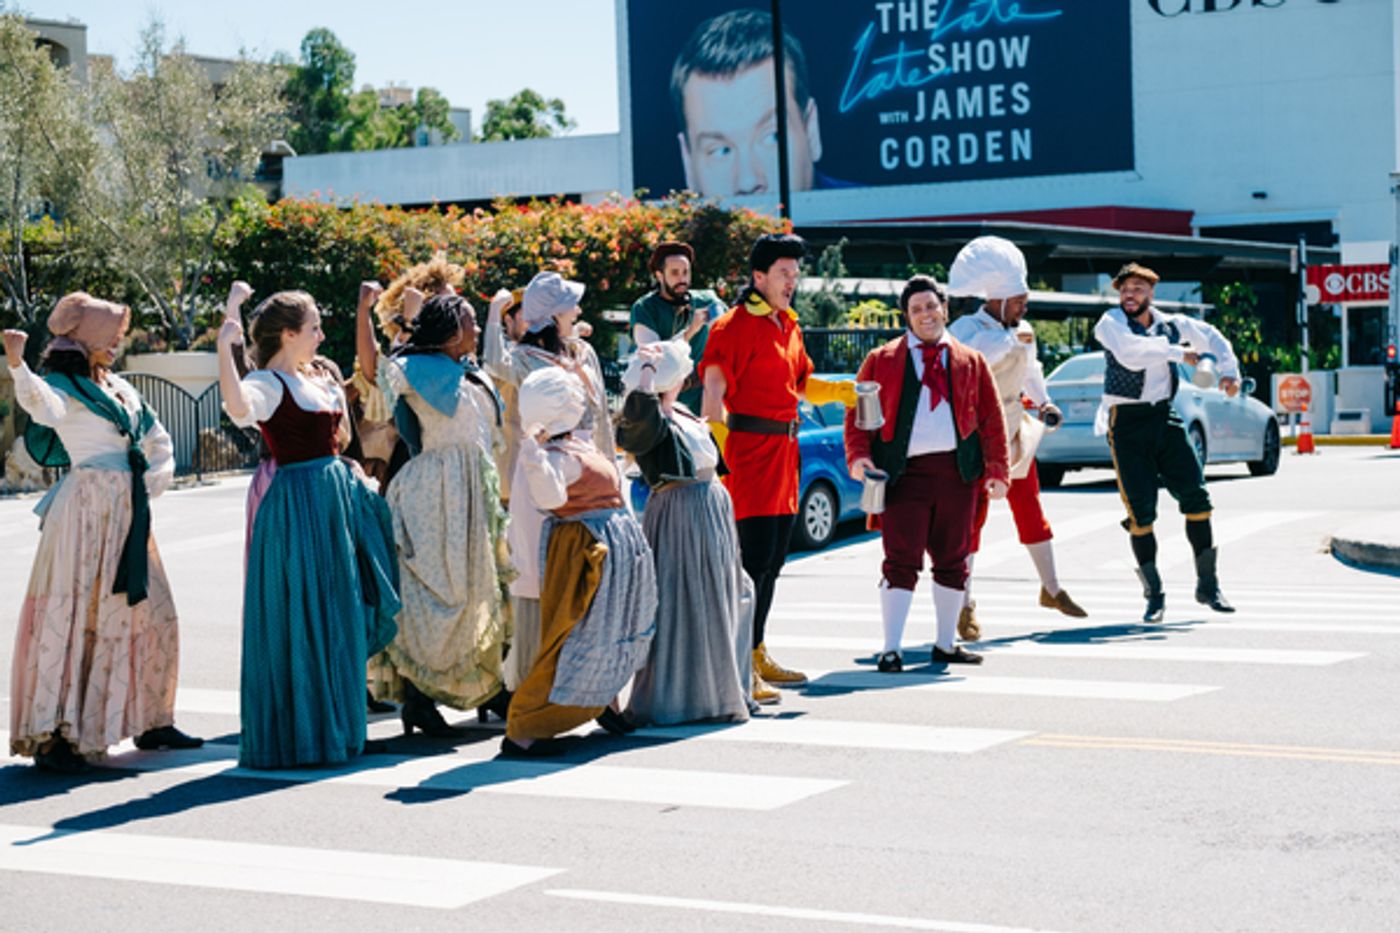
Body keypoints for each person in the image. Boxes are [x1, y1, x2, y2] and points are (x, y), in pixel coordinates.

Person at [4, 299, 201, 773]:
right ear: (85, 337)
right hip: (86, 509)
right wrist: (16, 364)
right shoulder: (62, 386)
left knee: (150, 611)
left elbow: (157, 439)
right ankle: (59, 734)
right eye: (109, 334)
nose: (118, 342)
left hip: (128, 510)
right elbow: (42, 409)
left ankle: (152, 718)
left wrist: (154, 476)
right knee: (76, 615)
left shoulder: (121, 388)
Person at [217, 288, 401, 769]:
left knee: (336, 610)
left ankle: (334, 726)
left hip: (332, 495)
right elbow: (238, 407)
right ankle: (304, 734)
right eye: (314, 327)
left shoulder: (315, 377)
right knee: (304, 613)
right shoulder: (268, 384)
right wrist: (224, 344)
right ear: (289, 334)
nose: (321, 334)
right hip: (297, 503)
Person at [698, 232, 857, 703]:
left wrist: (841, 393)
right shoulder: (730, 328)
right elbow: (712, 394)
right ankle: (738, 661)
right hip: (747, 455)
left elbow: (803, 381)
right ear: (758, 277)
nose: (792, 281)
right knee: (749, 563)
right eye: (784, 273)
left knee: (774, 562)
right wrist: (721, 454)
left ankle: (757, 649)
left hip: (787, 457)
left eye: (795, 273)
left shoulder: (789, 324)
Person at [845, 275, 1010, 671]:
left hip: (957, 474)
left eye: (931, 307)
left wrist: (998, 468)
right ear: (907, 316)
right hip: (903, 475)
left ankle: (945, 643)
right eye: (916, 309)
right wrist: (858, 457)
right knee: (900, 559)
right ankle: (891, 648)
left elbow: (991, 417)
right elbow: (857, 414)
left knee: (955, 559)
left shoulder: (971, 360)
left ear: (945, 310)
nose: (926, 315)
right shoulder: (881, 359)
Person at [368, 293, 513, 736]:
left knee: (479, 590)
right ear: (452, 331)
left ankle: (488, 686)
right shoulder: (409, 371)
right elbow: (376, 372)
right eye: (470, 321)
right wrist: (366, 311)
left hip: (475, 491)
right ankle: (419, 696)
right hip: (436, 491)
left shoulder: (472, 373)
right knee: (439, 594)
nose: (476, 328)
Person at [503, 367, 658, 756]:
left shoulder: (572, 447)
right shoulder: (552, 456)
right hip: (584, 554)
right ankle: (525, 728)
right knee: (574, 638)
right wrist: (533, 453)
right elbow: (551, 497)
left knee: (604, 633)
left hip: (605, 551)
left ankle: (605, 701)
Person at [947, 236, 1087, 638]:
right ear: (999, 299)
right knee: (973, 519)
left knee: (1030, 506)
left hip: (1013, 425)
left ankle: (1053, 588)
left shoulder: (1023, 329)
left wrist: (1045, 404)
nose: (1026, 307)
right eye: (1020, 300)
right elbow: (971, 363)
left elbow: (1032, 371)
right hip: (975, 432)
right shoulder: (966, 329)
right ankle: (964, 603)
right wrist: (1007, 340)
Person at [616, 341, 754, 726]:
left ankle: (724, 689)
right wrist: (647, 374)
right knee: (685, 599)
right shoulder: (647, 414)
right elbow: (641, 421)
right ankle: (682, 697)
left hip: (710, 506)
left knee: (730, 594)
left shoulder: (681, 412)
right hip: (681, 510)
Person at [1094, 263, 1240, 622]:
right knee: (1141, 514)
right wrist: (1179, 353)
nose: (1130, 295)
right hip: (1126, 425)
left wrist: (1229, 371)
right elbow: (1131, 353)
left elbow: (1214, 338)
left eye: (1139, 288)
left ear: (1151, 293)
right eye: (1125, 289)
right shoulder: (1110, 323)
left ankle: (1208, 585)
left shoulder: (1173, 325)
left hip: (1165, 416)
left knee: (1197, 498)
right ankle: (1154, 594)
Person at [671, 9, 842, 198]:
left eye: (773, 137)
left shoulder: (873, 216)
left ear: (811, 132)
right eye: (721, 151)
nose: (748, 182)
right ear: (688, 162)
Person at [629, 240, 725, 412]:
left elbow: (732, 339)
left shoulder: (707, 300)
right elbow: (654, 358)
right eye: (675, 273)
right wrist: (690, 332)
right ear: (659, 275)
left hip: (706, 401)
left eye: (686, 272)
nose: (682, 279)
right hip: (663, 407)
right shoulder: (644, 308)